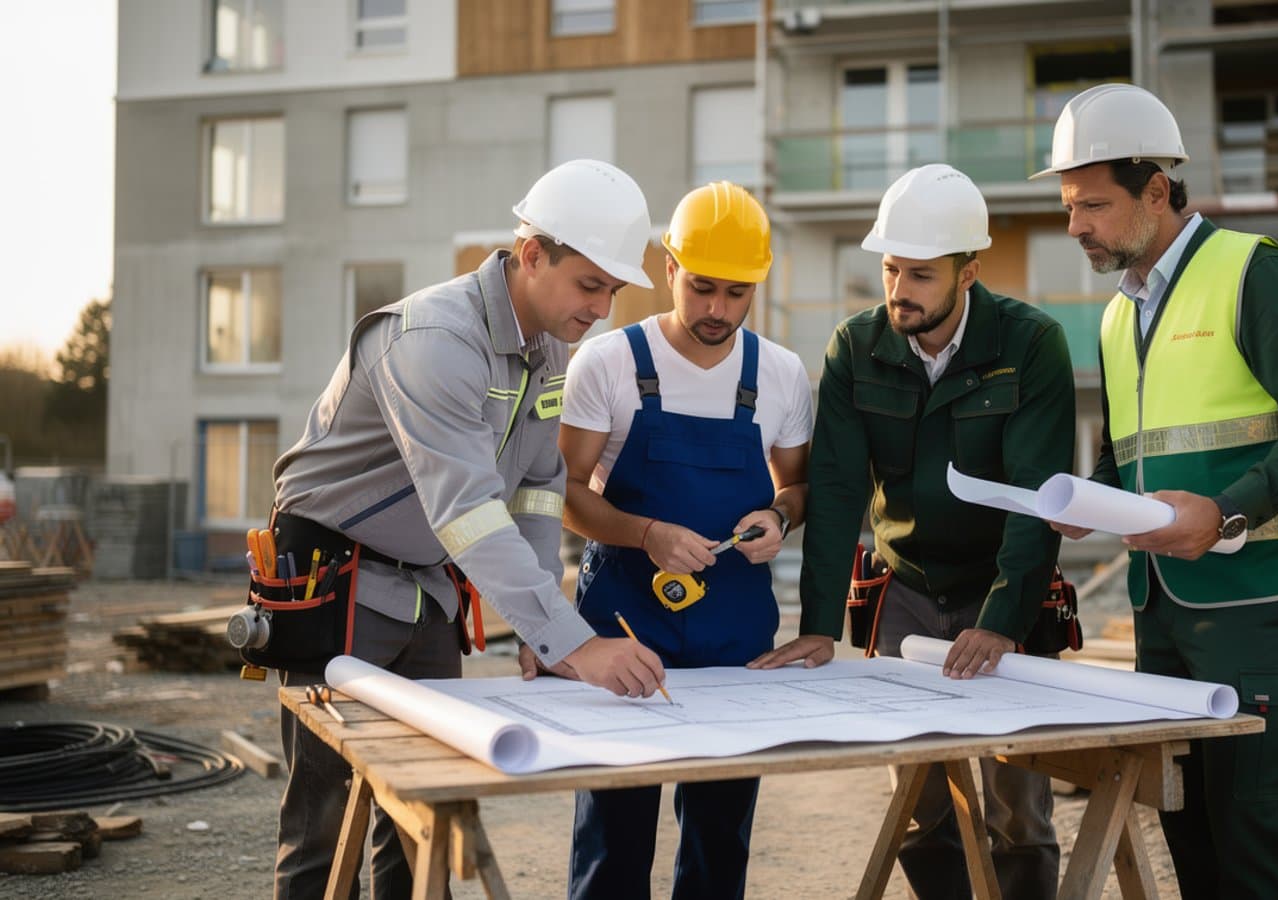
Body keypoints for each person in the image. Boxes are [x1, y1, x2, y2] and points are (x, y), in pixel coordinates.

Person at [267, 159, 668, 900]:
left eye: (613, 291)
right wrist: (574, 643)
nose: (604, 310)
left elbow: (541, 489)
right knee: (324, 826)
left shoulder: (548, 351)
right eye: (591, 285)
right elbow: (469, 509)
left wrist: (541, 636)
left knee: (426, 814)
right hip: (336, 579)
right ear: (533, 254)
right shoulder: (432, 341)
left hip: (426, 589)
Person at [1034, 83, 1278, 899]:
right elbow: (1134, 449)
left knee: (1252, 836)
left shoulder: (1256, 273)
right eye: (1071, 206)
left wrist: (1225, 512)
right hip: (1164, 602)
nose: (1075, 225)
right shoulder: (1119, 316)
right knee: (1186, 824)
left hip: (1258, 594)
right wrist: (1090, 499)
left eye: (1094, 206)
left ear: (1157, 190)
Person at [752, 163, 1075, 898]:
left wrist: (1003, 622)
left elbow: (1036, 498)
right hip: (907, 591)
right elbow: (835, 495)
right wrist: (819, 623)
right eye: (892, 269)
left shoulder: (1031, 344)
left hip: (1003, 586)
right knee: (921, 800)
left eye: (922, 274)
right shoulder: (855, 348)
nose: (900, 291)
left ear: (970, 272)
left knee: (1016, 802)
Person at [557, 181, 811, 900]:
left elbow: (798, 489)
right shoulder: (606, 364)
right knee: (614, 831)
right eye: (702, 289)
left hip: (736, 634)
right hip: (625, 623)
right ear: (669, 267)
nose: (717, 311)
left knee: (719, 837)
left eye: (737, 294)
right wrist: (646, 533)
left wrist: (780, 519)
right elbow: (566, 494)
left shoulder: (782, 375)